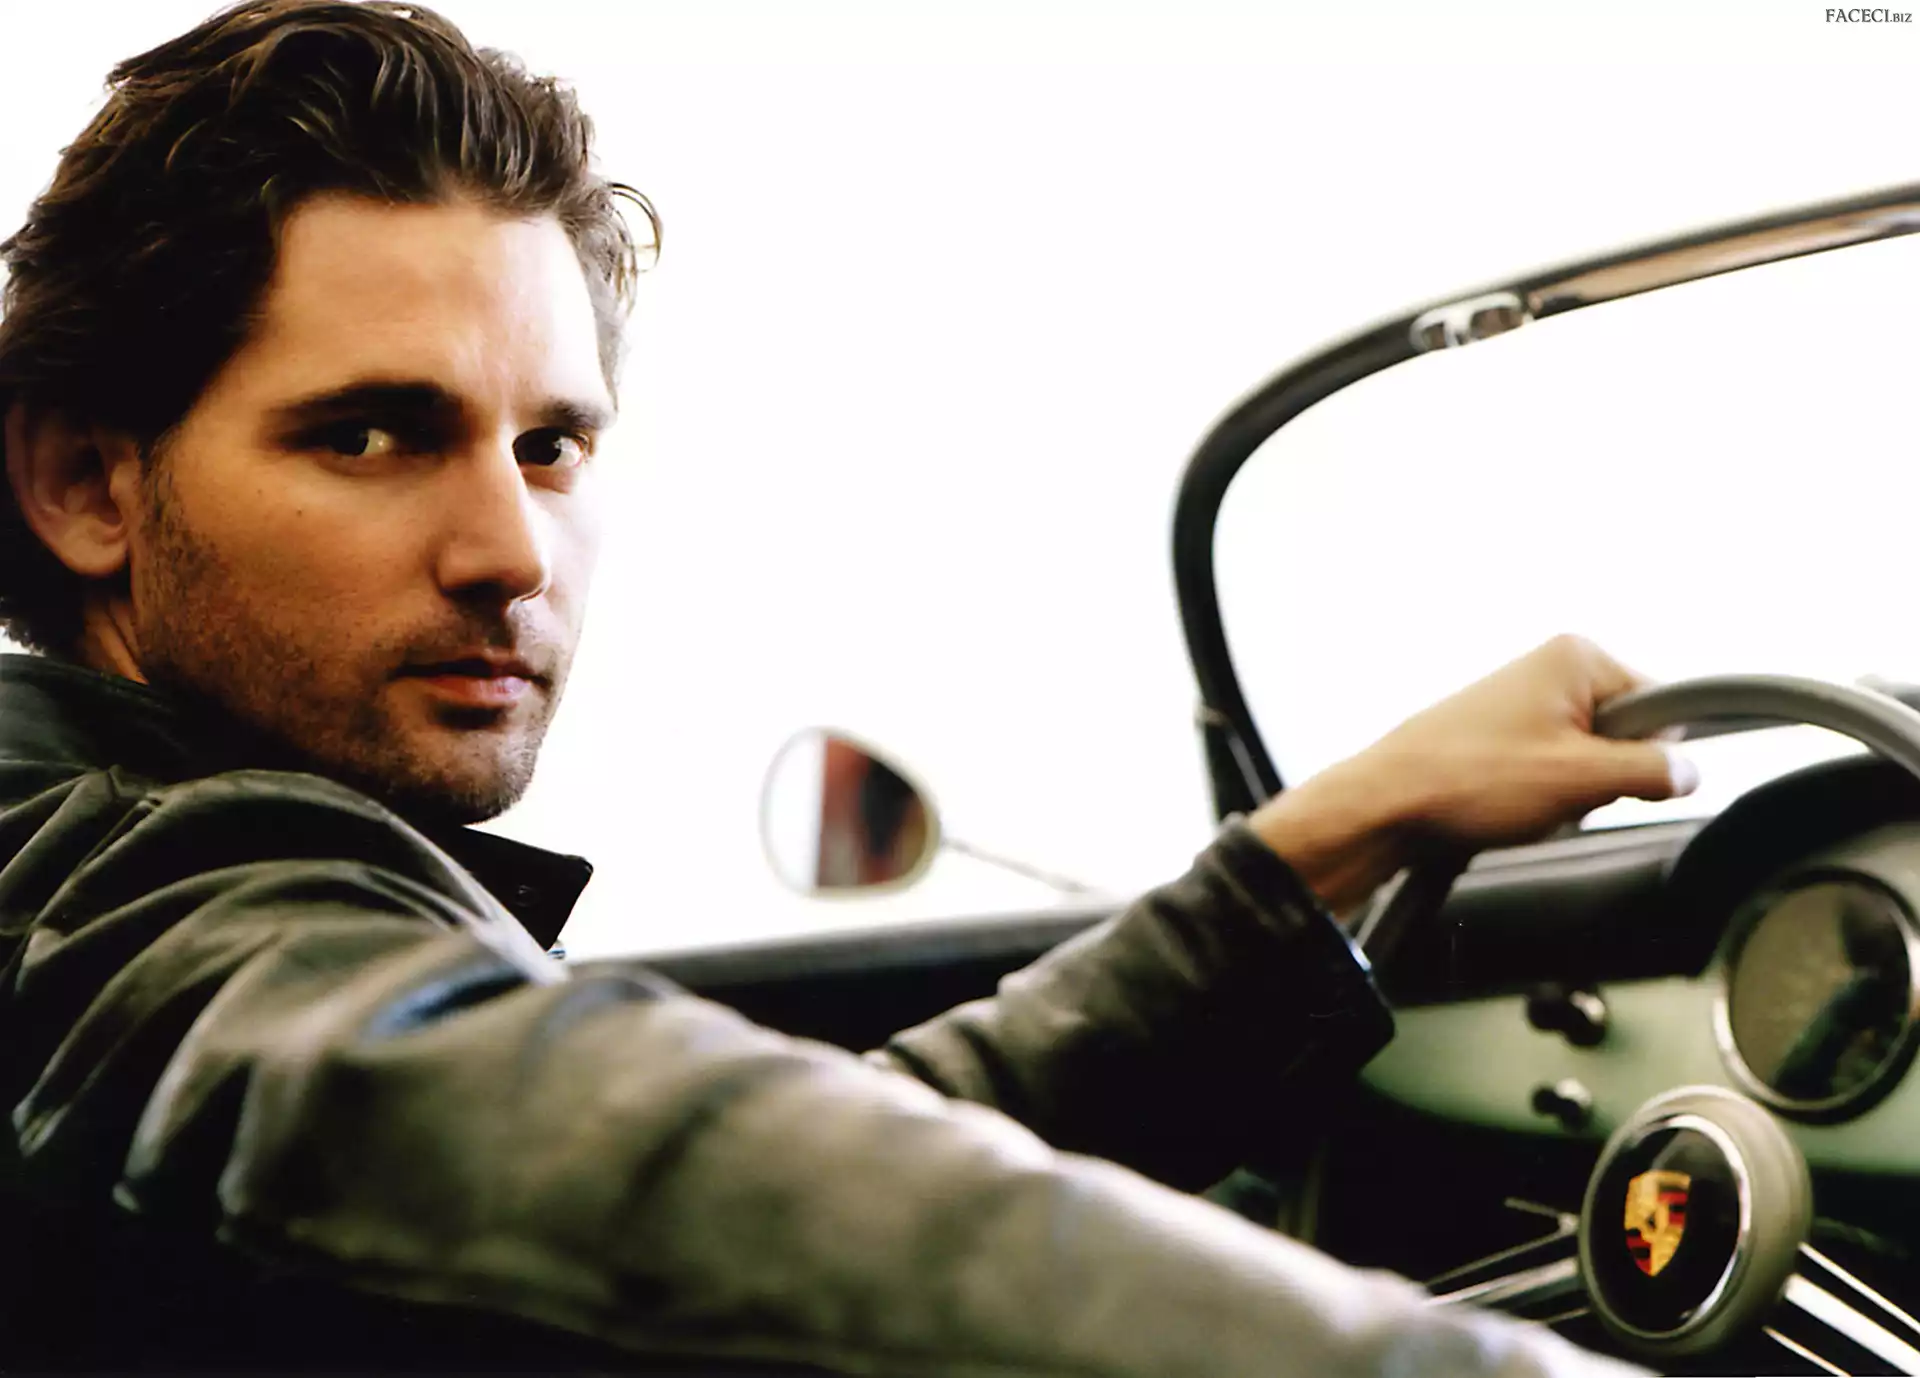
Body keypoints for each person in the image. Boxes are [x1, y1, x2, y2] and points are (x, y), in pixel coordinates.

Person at [0, 2, 1692, 1372]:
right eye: (373, 433)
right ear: (85, 482)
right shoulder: (122, 898)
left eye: (553, 445)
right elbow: (625, 1164)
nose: (510, 549)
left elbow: (772, 1184)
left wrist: (1323, 840)